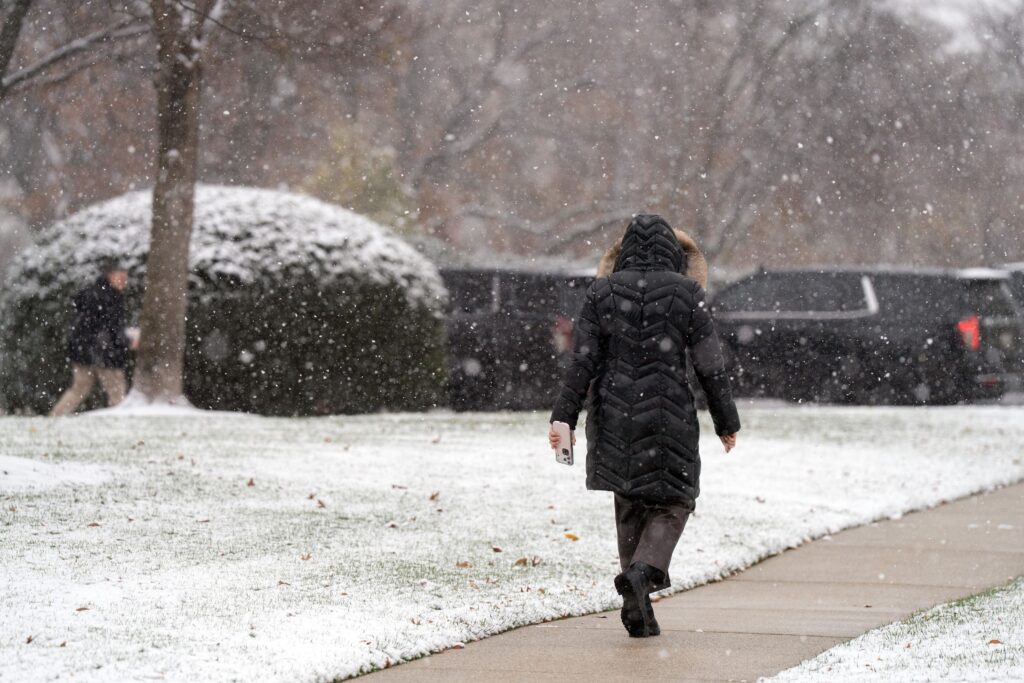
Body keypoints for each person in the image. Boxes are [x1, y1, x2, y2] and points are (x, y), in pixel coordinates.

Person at [548, 214, 740, 638]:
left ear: (623, 252)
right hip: (668, 412)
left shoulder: (601, 292)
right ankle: (644, 573)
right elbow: (710, 364)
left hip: (612, 413)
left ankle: (638, 603)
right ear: (674, 253)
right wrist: (726, 420)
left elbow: (581, 362)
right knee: (675, 498)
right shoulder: (688, 292)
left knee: (629, 500)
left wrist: (563, 416)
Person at [50, 258, 137, 416]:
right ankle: (119, 422)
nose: (124, 282)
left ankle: (55, 416)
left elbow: (84, 325)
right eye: (121, 277)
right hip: (104, 353)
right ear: (110, 275)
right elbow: (111, 329)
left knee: (79, 389)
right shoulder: (110, 297)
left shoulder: (90, 293)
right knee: (116, 392)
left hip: (83, 351)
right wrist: (128, 341)